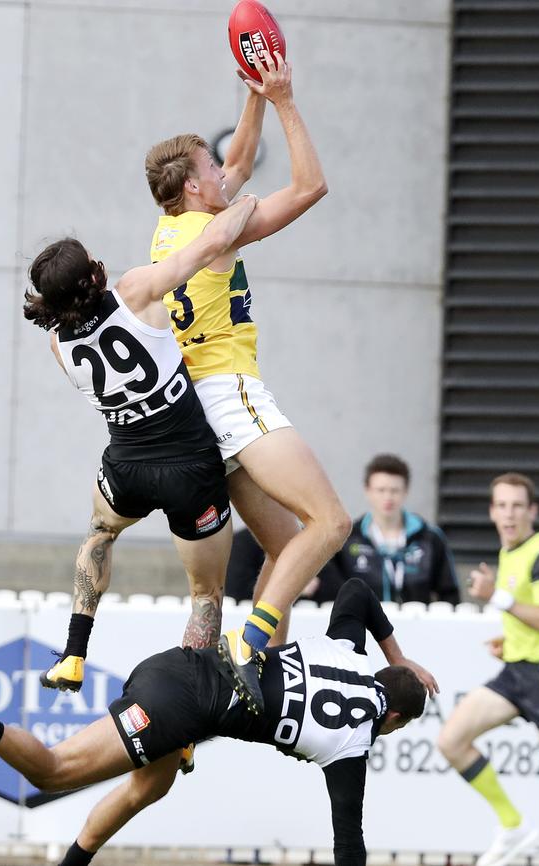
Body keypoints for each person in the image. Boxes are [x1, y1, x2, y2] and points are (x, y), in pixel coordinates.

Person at [0, 579, 437, 866]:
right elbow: (350, 843)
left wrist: (402, 656)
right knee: (52, 772)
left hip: (181, 665)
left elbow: (359, 592)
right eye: (397, 726)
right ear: (392, 717)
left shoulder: (348, 649)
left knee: (149, 787)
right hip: (176, 707)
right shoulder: (353, 746)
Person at [146, 48, 350, 712]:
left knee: (284, 546)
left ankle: (254, 674)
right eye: (212, 165)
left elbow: (238, 163)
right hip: (231, 394)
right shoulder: (218, 232)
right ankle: (251, 639)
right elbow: (312, 186)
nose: (226, 167)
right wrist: (288, 99)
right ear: (197, 191)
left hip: (200, 412)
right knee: (330, 523)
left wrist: (255, 96)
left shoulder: (171, 226)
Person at [22, 194, 257, 703]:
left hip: (125, 464)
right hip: (190, 467)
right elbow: (215, 240)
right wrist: (246, 199)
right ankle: (193, 710)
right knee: (205, 595)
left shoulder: (57, 344)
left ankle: (73, 653)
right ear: (95, 273)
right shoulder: (134, 290)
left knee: (100, 533)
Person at [438, 472, 539, 866]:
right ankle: (513, 826)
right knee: (451, 741)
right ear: (492, 512)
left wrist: (498, 597)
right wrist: (510, 642)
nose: (509, 514)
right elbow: (534, 622)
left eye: (517, 506)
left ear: (532, 511)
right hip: (517, 672)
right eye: (502, 506)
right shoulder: (509, 553)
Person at [335, 454, 459, 605]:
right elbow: (331, 590)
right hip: (363, 626)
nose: (388, 497)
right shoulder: (349, 538)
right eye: (381, 490)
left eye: (394, 490)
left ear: (405, 491)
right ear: (367, 490)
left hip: (416, 625)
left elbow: (450, 594)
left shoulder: (429, 538)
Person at [226, 526, 346, 605]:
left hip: (304, 622)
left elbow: (335, 587)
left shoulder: (307, 541)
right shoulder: (242, 542)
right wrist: (293, 587)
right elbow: (236, 589)